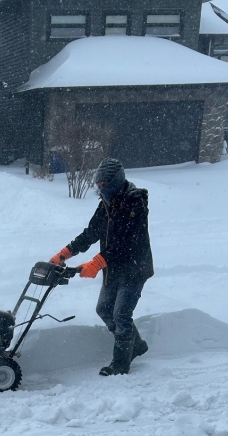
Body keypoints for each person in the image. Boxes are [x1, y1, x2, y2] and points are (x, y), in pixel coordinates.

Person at [48, 158, 154, 376]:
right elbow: (91, 233)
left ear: (116, 181)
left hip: (134, 268)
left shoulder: (135, 203)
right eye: (99, 185)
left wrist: (97, 262)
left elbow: (125, 242)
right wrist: (65, 253)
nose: (100, 188)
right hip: (113, 267)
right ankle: (136, 345)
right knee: (104, 309)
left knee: (121, 314)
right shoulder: (106, 203)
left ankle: (121, 363)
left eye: (104, 184)